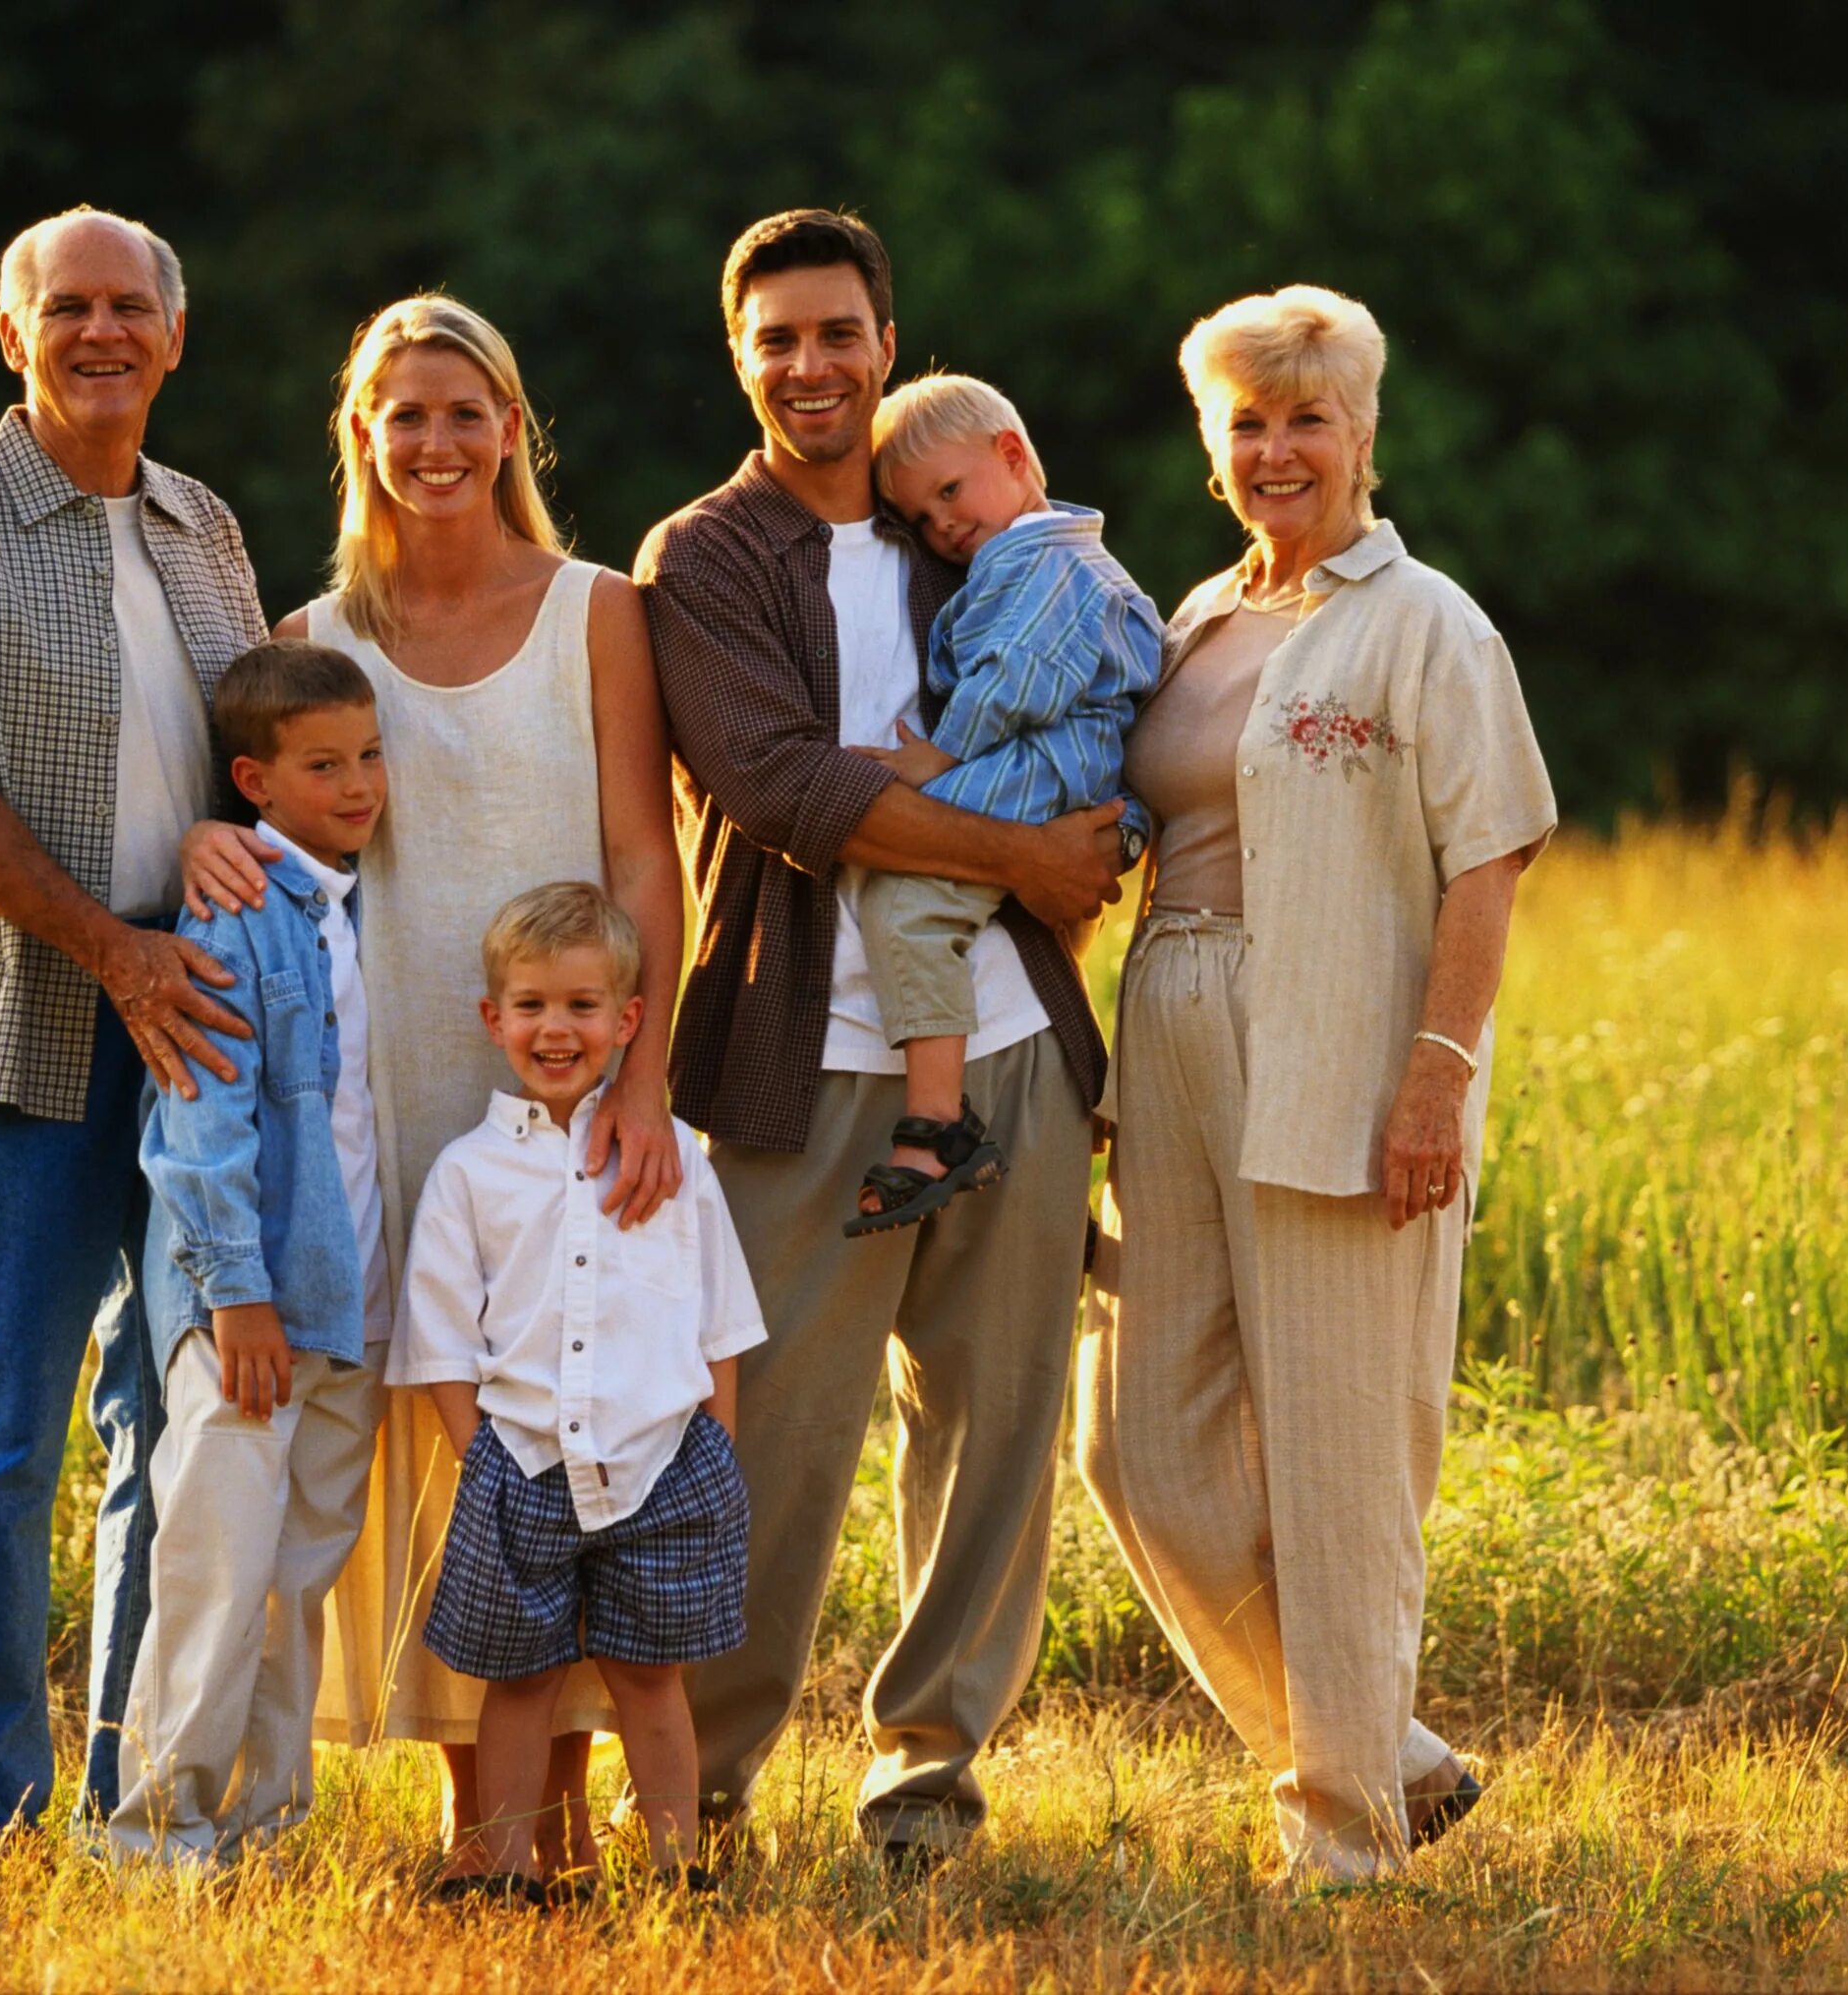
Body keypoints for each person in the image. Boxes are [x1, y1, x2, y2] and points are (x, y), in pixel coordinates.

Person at [635, 208, 1129, 1864]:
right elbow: (779, 788)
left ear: (886, 342)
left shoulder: (959, 528)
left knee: (995, 1431)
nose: (810, 363)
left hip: (1014, 1043)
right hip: (804, 1054)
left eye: (837, 330)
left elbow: (1088, 715)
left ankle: (929, 1773)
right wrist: (1026, 852)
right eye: (775, 338)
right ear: (739, 358)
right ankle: (699, 1778)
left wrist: (1082, 841)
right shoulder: (700, 556)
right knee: (769, 1439)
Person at [179, 296, 686, 1880]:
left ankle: (577, 1824)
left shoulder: (598, 610)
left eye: (467, 410)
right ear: (361, 439)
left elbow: (640, 852)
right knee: (442, 1442)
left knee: (579, 1407)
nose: (438, 442)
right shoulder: (315, 638)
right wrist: (207, 839)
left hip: (574, 1068)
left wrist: (644, 1079)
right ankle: (482, 1822)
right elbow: (265, 833)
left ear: (513, 427)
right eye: (404, 413)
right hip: (385, 1083)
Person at [1074, 284, 1556, 1881]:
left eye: (1310, 418)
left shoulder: (1428, 622)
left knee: (1343, 1452)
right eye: (1251, 423)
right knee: (1136, 1443)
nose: (1281, 449)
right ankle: (1388, 1750)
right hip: (1168, 1030)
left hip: (1345, 1051)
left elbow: (1490, 853)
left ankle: (1342, 1837)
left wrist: (1437, 1074)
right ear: (1214, 451)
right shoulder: (1197, 619)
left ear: (1363, 433)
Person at [0, 205, 267, 1835]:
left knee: (175, 1421)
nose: (103, 333)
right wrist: (111, 950)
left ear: (173, 335)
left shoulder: (205, 524)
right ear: (14, 335)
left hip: (194, 1037)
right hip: (18, 1027)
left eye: (129, 308)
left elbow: (254, 755)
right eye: (67, 307)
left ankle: (134, 1794)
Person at [393, 883, 764, 1903]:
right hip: (521, 1468)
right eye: (532, 1005)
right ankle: (508, 1869)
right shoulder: (468, 1175)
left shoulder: (673, 1156)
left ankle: (678, 1866)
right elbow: (438, 1341)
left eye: (583, 1006)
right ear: (494, 1018)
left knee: (652, 1677)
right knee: (518, 1679)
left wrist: (716, 1453)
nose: (556, 1029)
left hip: (662, 1463)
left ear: (628, 1020)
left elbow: (719, 1320)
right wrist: (483, 1462)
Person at [108, 640, 393, 1867]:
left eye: (371, 755)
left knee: (294, 1585)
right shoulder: (233, 910)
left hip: (346, 1299)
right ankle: (155, 1834)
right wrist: (237, 1294)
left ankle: (266, 1831)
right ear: (254, 780)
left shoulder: (360, 900)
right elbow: (198, 1125)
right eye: (324, 764)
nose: (360, 784)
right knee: (216, 1575)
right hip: (250, 1309)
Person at [844, 372, 1161, 1237]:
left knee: (904, 887)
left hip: (1047, 757)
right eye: (918, 517)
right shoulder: (1027, 554)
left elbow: (1019, 674)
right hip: (1047, 754)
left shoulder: (1044, 559)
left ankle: (938, 1126)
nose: (940, 523)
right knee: (921, 883)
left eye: (950, 491)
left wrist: (936, 758)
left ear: (1013, 455)